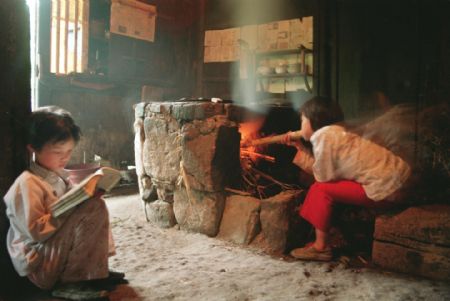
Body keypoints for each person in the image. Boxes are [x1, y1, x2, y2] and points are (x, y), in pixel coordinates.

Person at [3, 106, 125, 299]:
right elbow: (35, 232)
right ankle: (72, 283)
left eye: (69, 151)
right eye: (57, 151)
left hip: (55, 253)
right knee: (91, 210)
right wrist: (70, 208)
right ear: (33, 149)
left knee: (96, 206)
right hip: (39, 264)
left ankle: (93, 273)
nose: (65, 158)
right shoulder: (26, 184)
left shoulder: (58, 176)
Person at [284, 96, 411, 261]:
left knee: (319, 189)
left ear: (313, 121)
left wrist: (301, 150)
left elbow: (323, 177)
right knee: (324, 186)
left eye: (302, 120)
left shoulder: (323, 136)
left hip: (388, 189)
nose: (300, 125)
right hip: (400, 182)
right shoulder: (338, 132)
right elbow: (329, 170)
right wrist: (300, 147)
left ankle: (320, 247)